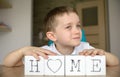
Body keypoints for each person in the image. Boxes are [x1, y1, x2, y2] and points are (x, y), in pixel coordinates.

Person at [3, 6, 119, 67]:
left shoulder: (85, 49)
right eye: (68, 27)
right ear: (52, 36)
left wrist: (102, 53)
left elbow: (115, 62)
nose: (77, 31)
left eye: (78, 25)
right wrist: (22, 51)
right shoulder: (45, 53)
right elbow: (8, 63)